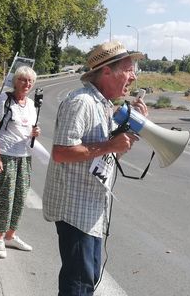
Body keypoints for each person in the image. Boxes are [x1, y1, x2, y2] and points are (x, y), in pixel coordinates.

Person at [42, 40, 148, 295]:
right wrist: (109, 145)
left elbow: (106, 156)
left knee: (85, 281)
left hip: (91, 211)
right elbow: (60, 152)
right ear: (107, 71)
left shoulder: (103, 106)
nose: (133, 76)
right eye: (128, 69)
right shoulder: (81, 102)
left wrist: (129, 132)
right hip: (75, 211)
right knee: (78, 285)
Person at [0, 65, 41, 259]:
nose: (26, 84)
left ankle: (11, 236)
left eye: (30, 81)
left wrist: (35, 133)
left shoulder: (31, 105)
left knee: (20, 197)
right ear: (15, 81)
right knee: (4, 198)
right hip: (6, 155)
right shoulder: (4, 100)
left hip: (24, 156)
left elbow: (29, 130)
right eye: (22, 80)